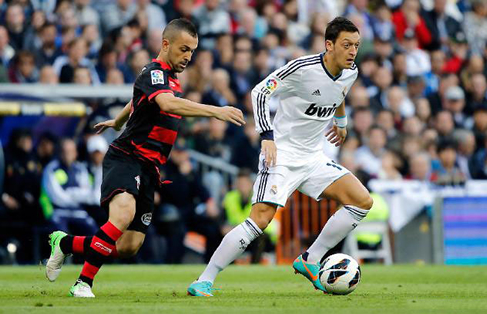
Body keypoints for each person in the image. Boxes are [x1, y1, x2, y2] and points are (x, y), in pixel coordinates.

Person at [45, 18, 245, 298]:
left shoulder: (169, 79)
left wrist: (117, 121)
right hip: (127, 157)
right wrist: (216, 110)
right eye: (183, 49)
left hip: (150, 168)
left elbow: (136, 99)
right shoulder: (154, 72)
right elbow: (165, 102)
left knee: (128, 246)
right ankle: (83, 283)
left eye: (192, 51)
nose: (188, 56)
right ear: (166, 44)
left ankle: (65, 244)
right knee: (123, 214)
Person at [188, 17, 373, 297]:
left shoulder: (351, 71)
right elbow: (259, 92)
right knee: (259, 221)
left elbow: (340, 91)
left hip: (313, 158)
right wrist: (267, 136)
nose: (352, 51)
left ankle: (310, 260)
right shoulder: (302, 68)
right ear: (329, 45)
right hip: (282, 155)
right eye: (346, 45)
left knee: (361, 201)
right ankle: (205, 279)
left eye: (356, 46)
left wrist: (342, 121)